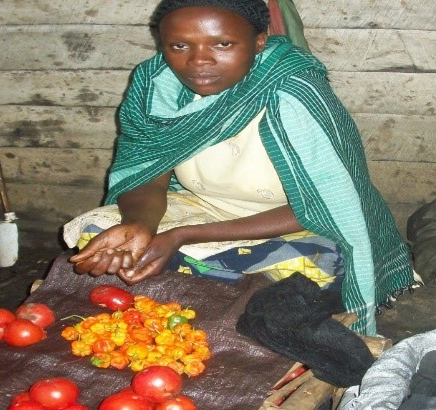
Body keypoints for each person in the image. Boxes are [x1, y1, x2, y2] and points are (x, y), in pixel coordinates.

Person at [65, 0, 413, 334]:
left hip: (302, 223)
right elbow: (147, 173)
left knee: (309, 269)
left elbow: (329, 206)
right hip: (207, 208)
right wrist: (140, 224)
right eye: (179, 46)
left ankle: (202, 299)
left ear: (259, 41)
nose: (198, 61)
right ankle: (202, 298)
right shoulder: (156, 87)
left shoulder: (293, 92)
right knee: (103, 235)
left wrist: (182, 235)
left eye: (223, 43)